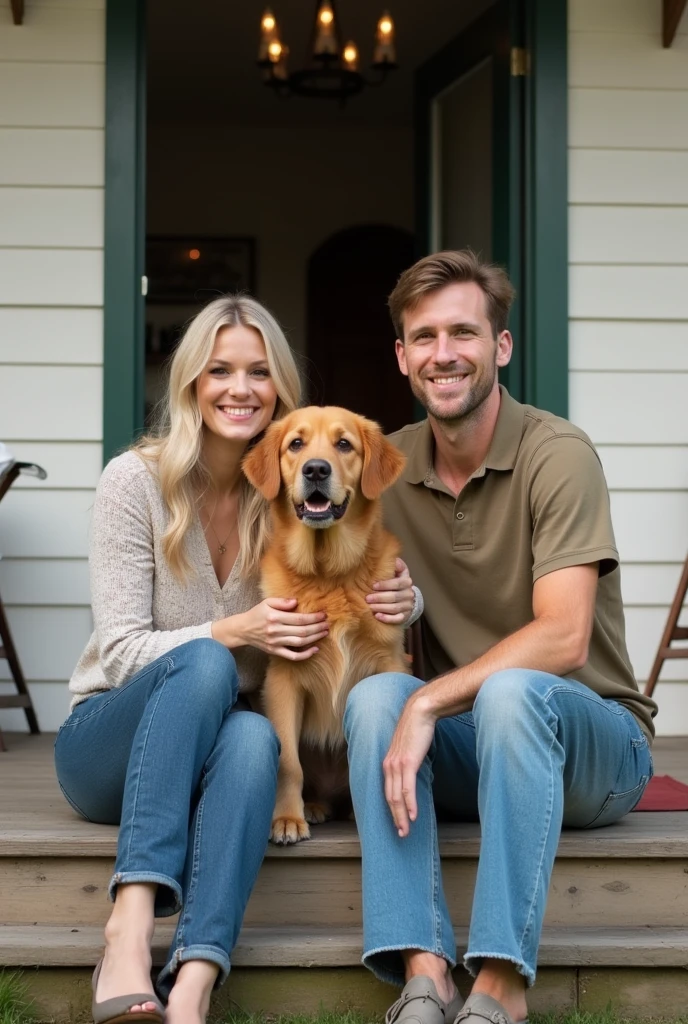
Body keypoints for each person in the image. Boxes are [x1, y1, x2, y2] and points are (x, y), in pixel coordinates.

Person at [54, 295, 418, 1024]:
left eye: (258, 371)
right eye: (219, 370)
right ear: (192, 381)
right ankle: (128, 928)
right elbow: (123, 652)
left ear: (278, 388)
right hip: (111, 746)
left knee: (253, 733)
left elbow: (356, 583)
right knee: (211, 666)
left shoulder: (288, 496)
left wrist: (410, 599)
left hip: (220, 745)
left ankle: (193, 980)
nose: (239, 387)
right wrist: (237, 631)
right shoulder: (134, 483)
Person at [343, 251, 658, 1024]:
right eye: (424, 337)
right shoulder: (381, 465)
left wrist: (430, 706)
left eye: (463, 332)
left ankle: (501, 981)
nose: (443, 353)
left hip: (595, 745)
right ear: (402, 357)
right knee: (378, 695)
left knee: (510, 691)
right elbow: (341, 585)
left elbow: (564, 637)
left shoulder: (558, 454)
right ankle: (424, 969)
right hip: (471, 746)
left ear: (501, 347)